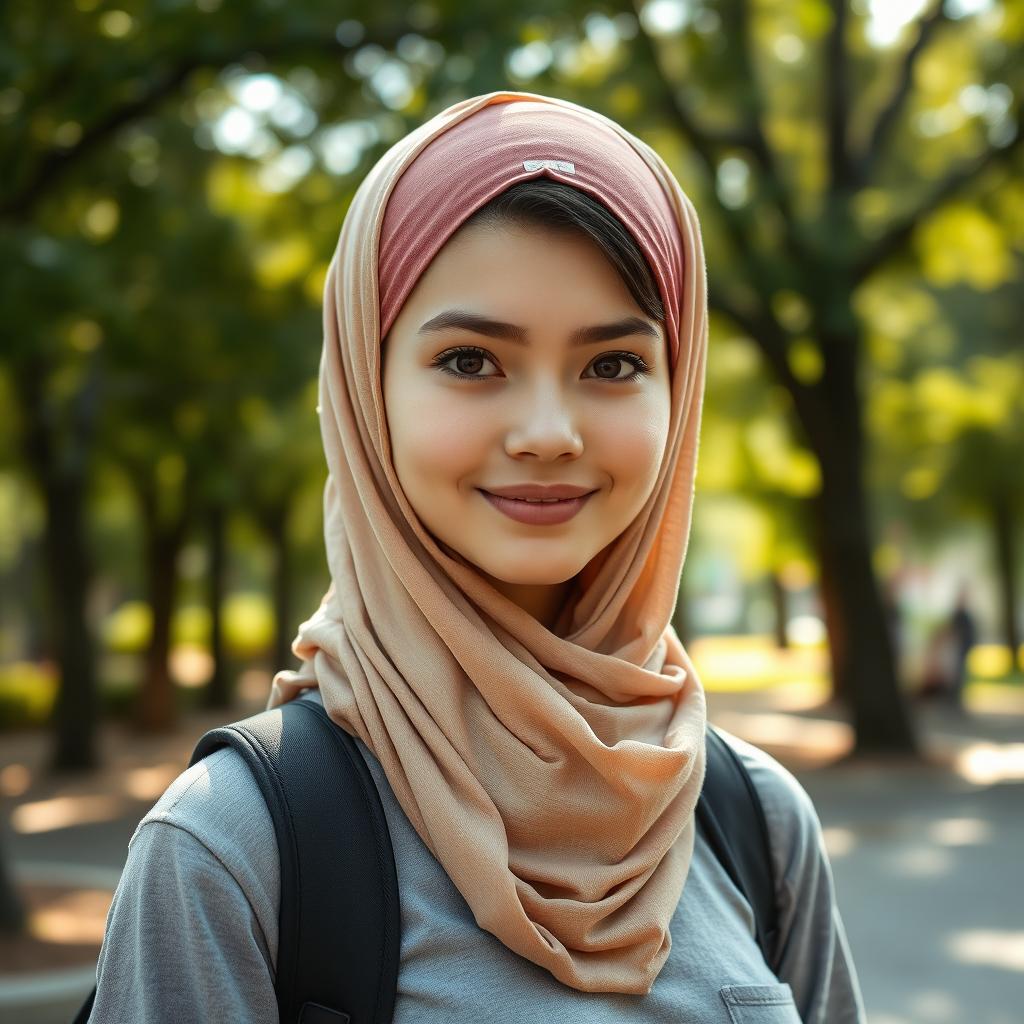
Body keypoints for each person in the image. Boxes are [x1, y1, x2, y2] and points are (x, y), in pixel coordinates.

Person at [87, 92, 866, 1022]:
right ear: (365, 389)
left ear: (680, 384)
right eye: (470, 361)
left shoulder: (756, 822)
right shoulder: (232, 848)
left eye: (613, 365)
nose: (547, 432)